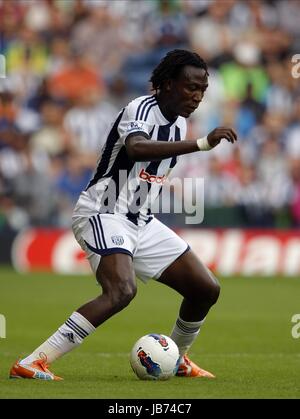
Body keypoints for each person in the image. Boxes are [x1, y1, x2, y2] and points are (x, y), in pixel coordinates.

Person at [10, 49, 237, 381]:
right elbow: (137, 148)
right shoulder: (140, 108)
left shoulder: (179, 125)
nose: (198, 96)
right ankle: (33, 361)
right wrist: (201, 143)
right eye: (191, 88)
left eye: (203, 90)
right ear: (168, 84)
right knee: (121, 291)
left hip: (139, 219)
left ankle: (177, 359)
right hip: (102, 212)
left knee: (206, 288)